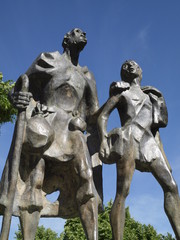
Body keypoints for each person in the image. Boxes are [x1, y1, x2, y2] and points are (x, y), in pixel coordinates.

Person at [0, 28, 102, 240]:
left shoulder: (86, 75)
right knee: (34, 181)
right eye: (76, 32)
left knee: (86, 178)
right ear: (66, 39)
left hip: (71, 130)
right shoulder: (48, 59)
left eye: (83, 33)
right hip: (44, 124)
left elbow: (93, 115)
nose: (82, 33)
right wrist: (18, 98)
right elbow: (17, 89)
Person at [97, 60, 180, 240]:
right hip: (129, 139)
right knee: (123, 191)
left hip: (149, 142)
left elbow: (156, 131)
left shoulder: (151, 96)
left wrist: (164, 156)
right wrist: (103, 139)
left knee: (172, 187)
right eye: (125, 65)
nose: (129, 65)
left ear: (140, 71)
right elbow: (103, 115)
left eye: (133, 64)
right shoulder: (122, 92)